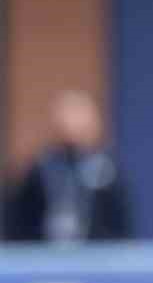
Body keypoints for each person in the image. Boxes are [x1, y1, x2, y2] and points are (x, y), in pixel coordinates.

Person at [3, 90, 130, 242]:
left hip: (96, 258)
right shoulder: (39, 170)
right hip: (43, 257)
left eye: (79, 119)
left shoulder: (107, 171)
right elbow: (18, 221)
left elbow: (121, 224)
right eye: (67, 119)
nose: (72, 126)